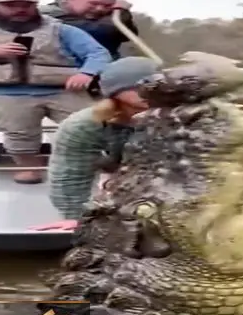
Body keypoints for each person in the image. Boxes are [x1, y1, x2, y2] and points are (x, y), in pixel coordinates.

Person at [0, 0, 113, 184]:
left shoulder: (62, 30)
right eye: (10, 5)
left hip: (64, 90)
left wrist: (86, 73)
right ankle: (30, 169)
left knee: (91, 126)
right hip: (7, 93)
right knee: (19, 134)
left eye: (26, 5)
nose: (19, 9)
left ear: (35, 6)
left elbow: (98, 53)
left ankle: (92, 164)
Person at [31, 56, 159, 231]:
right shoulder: (85, 124)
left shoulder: (186, 116)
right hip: (124, 177)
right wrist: (77, 217)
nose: (147, 92)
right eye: (137, 87)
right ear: (115, 92)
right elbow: (71, 172)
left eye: (154, 85)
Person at [40, 0, 138, 61]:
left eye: (107, 6)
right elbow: (100, 31)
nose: (100, 9)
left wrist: (117, 12)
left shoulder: (102, 18)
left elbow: (127, 35)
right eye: (94, 3)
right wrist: (121, 11)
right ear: (71, 0)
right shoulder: (50, 15)